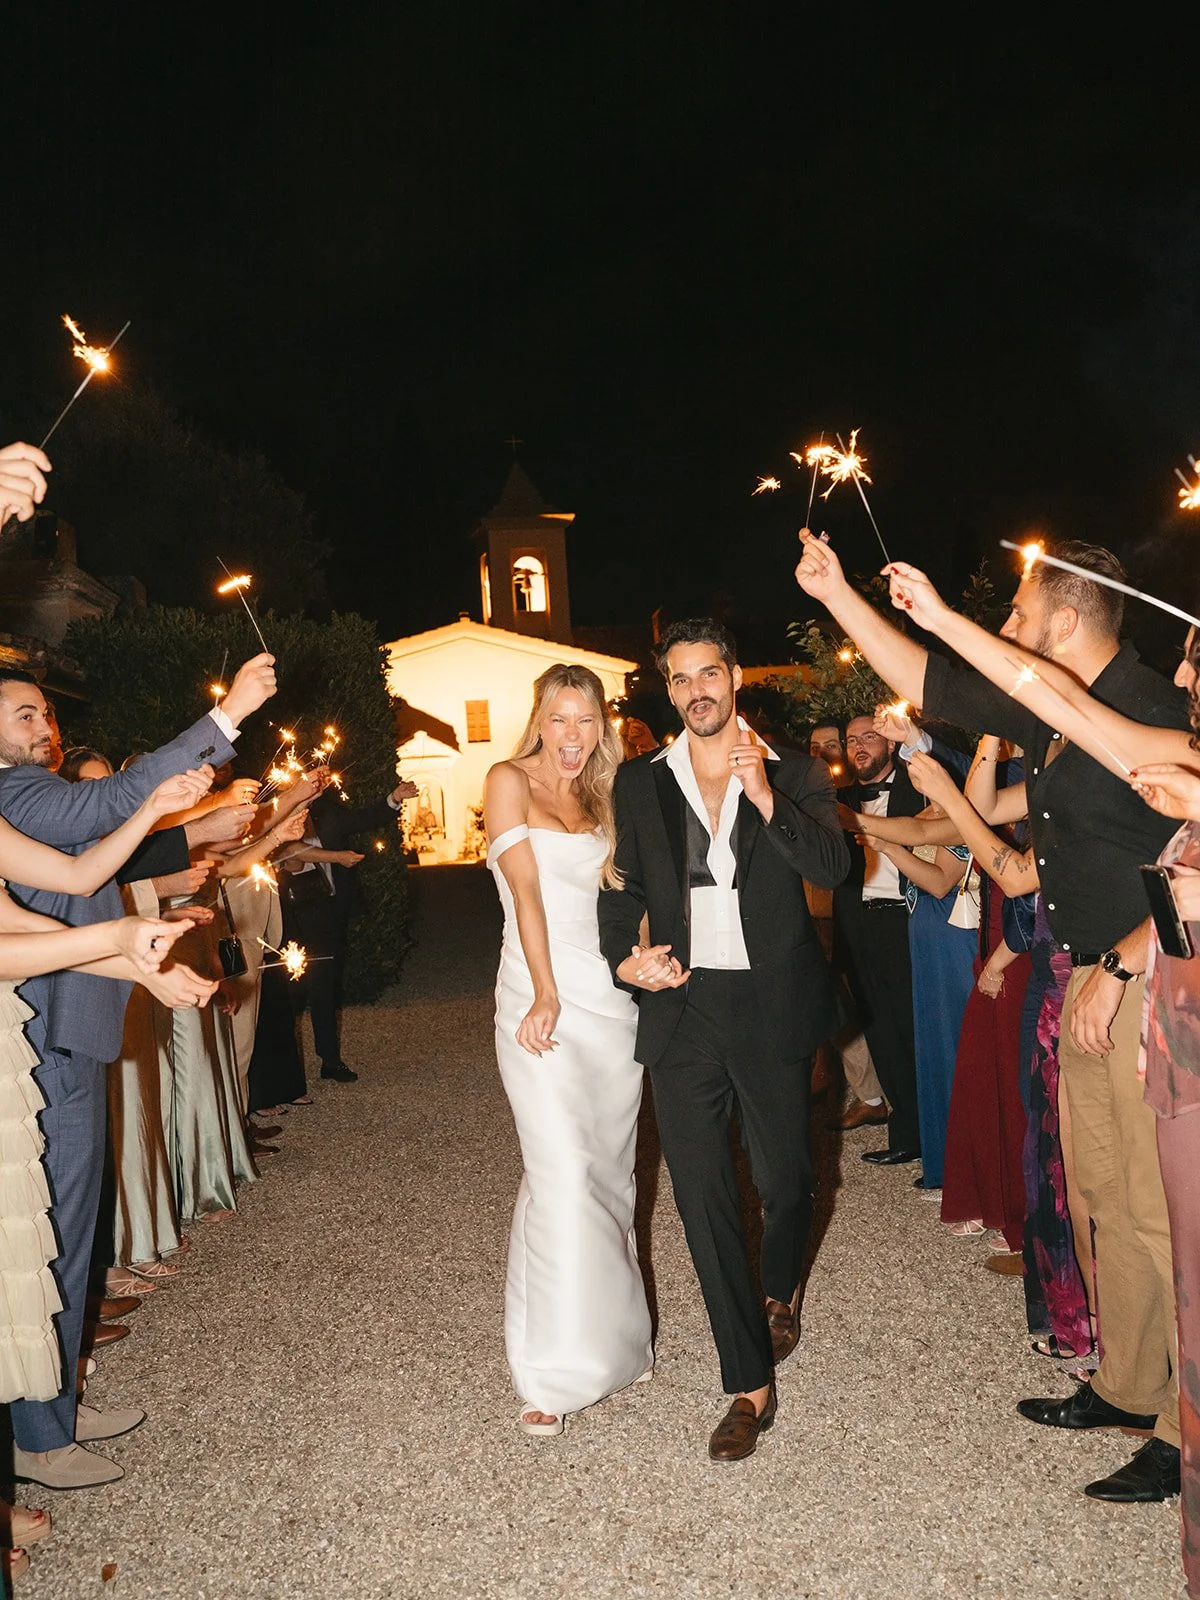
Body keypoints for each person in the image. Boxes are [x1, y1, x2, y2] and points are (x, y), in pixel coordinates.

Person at [796, 531, 1189, 1504]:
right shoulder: (1055, 716)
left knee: (1157, 1213)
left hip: (1148, 982)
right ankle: (1128, 1386)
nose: (1010, 629)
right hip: (1083, 979)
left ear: (1062, 617)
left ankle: (1184, 1430)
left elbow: (1186, 864)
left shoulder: (1148, 706)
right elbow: (938, 679)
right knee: (1100, 1194)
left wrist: (1122, 957)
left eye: (1018, 611)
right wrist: (842, 596)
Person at [0, 652, 276, 1490]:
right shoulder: (15, 794)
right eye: (23, 714)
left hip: (71, 1026)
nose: (43, 726)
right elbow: (103, 813)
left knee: (70, 1236)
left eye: (46, 713)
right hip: (33, 1041)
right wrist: (225, 719)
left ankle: (57, 1405)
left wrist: (149, 968)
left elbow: (89, 878)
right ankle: (39, 1437)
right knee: (37, 1247)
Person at [598, 620, 848, 1461]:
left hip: (771, 1005)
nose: (698, 689)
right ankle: (747, 1383)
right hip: (682, 1009)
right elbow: (617, 890)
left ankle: (779, 1287)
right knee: (701, 1196)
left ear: (735, 677)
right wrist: (622, 960)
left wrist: (770, 799)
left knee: (788, 1180)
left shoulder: (799, 772)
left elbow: (835, 870)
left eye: (711, 672)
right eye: (681, 678)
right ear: (667, 690)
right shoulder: (640, 784)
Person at [483, 663, 652, 1438]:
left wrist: (646, 968)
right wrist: (545, 993)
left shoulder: (608, 794)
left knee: (610, 1177)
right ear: (540, 719)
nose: (573, 736)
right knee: (559, 1171)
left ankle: (617, 1345)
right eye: (560, 718)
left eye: (587, 720)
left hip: (611, 1004)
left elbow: (631, 900)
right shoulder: (505, 779)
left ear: (602, 725)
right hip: (537, 998)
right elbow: (524, 891)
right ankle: (550, 1373)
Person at [281, 774, 417, 1081]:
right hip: (289, 912)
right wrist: (337, 857)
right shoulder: (278, 813)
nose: (319, 788)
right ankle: (285, 1074)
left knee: (324, 986)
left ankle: (330, 1060)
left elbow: (362, 818)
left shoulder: (328, 811)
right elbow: (290, 855)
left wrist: (393, 798)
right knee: (287, 992)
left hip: (324, 910)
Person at [832, 715, 925, 1163]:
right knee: (880, 1034)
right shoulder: (837, 800)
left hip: (905, 921)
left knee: (913, 1029)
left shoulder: (917, 786)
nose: (859, 747)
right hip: (858, 925)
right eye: (851, 741)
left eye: (869, 736)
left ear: (889, 743)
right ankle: (904, 1134)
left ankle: (936, 1133)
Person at [805, 720, 886, 1130]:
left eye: (831, 745)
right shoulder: (805, 794)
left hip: (856, 912)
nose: (822, 753)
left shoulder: (858, 800)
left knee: (854, 1006)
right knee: (830, 1005)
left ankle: (875, 1093)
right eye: (815, 746)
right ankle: (857, 1088)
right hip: (815, 914)